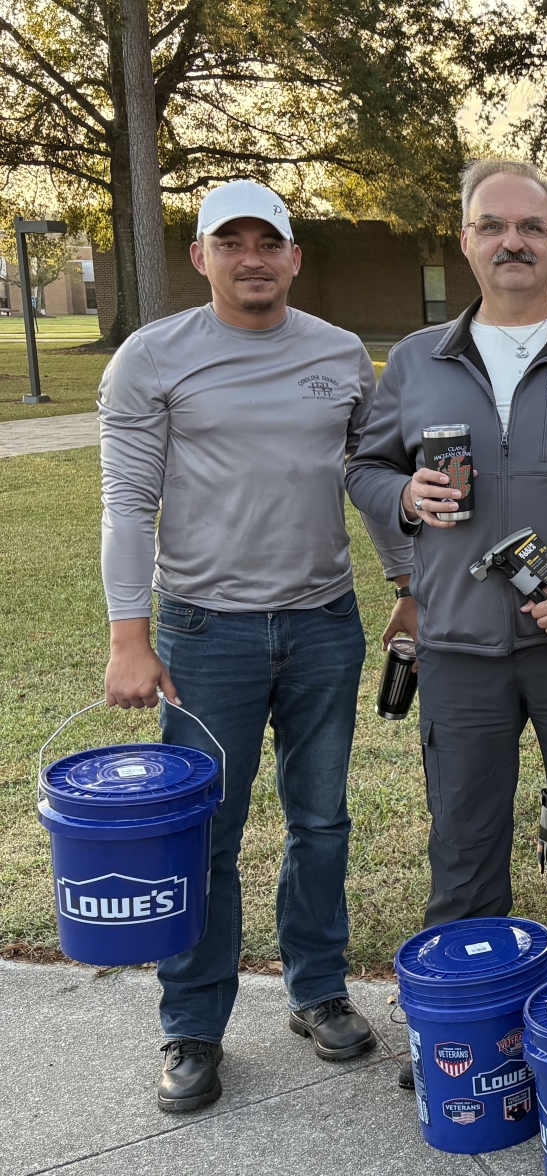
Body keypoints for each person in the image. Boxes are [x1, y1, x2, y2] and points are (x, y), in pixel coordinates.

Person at [98, 179, 416, 1112]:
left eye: (267, 242)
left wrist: (406, 585)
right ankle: (193, 1023)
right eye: (229, 243)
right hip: (206, 632)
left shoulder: (339, 353)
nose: (251, 259)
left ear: (293, 257)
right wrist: (129, 634)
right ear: (200, 257)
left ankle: (317, 990)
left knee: (321, 821)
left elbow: (370, 477)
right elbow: (127, 502)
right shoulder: (152, 358)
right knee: (206, 831)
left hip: (323, 623)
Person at [347, 160, 547, 1020]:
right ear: (465, 241)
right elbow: (365, 467)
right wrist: (403, 495)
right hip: (459, 646)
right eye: (492, 225)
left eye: (531, 226)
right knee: (464, 847)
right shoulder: (417, 361)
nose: (512, 242)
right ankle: (469, 1029)